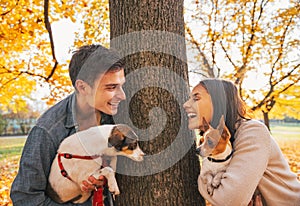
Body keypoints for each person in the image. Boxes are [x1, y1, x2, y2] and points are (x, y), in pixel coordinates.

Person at [10, 44, 126, 205]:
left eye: (121, 85)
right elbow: (25, 197)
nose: (122, 96)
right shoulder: (48, 131)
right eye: (111, 87)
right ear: (82, 87)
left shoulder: (116, 116)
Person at [183, 78, 300, 206]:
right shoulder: (219, 141)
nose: (186, 104)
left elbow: (229, 200)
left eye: (196, 98)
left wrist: (202, 182)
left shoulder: (253, 132)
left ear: (219, 102)